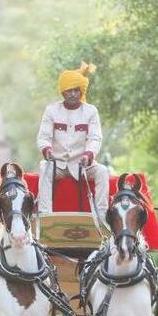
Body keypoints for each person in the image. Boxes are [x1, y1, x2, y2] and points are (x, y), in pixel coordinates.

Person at [37, 62, 109, 219]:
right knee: (44, 167)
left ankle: (102, 216)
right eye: (69, 90)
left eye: (77, 90)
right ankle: (45, 214)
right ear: (63, 92)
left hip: (83, 165)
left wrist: (88, 155)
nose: (73, 94)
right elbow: (43, 137)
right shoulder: (52, 110)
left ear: (81, 91)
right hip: (58, 165)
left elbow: (95, 138)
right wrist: (47, 151)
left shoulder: (91, 111)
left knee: (103, 171)